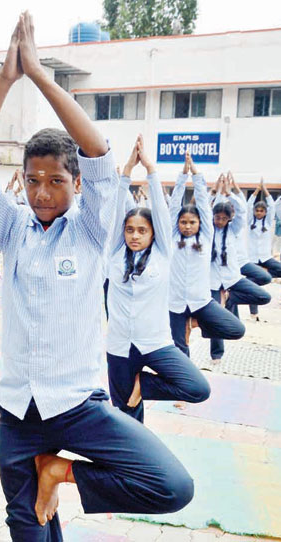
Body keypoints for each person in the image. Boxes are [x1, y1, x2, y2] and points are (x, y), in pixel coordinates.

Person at [0, 12, 194, 537]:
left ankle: (57, 471)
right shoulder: (12, 229)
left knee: (173, 484)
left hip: (77, 405)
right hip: (18, 412)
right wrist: (4, 80)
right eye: (33, 180)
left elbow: (101, 155)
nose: (43, 192)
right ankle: (40, 477)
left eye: (57, 180)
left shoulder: (92, 228)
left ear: (76, 182)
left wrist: (40, 76)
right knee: (32, 529)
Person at [106, 136, 210, 423]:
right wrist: (126, 172)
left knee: (197, 388)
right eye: (130, 230)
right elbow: (116, 213)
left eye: (142, 230)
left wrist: (151, 171)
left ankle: (145, 385)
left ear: (153, 234)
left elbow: (164, 215)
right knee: (126, 416)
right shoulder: (114, 255)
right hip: (119, 348)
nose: (135, 236)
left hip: (155, 344)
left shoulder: (163, 255)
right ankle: (131, 467)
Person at [168, 155, 246, 359]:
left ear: (199, 223)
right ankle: (182, 382)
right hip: (174, 304)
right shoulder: (173, 237)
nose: (187, 226)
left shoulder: (206, 236)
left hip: (200, 301)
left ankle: (195, 323)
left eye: (191, 222)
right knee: (179, 349)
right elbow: (175, 205)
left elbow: (203, 204)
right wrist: (182, 176)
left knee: (236, 329)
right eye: (183, 222)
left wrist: (195, 174)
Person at [209, 175, 270, 359]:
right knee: (216, 320)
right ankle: (217, 355)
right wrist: (216, 192)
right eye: (217, 217)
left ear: (229, 218)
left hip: (232, 279)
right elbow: (204, 209)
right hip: (212, 282)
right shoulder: (208, 230)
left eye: (223, 218)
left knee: (263, 296)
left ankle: (229, 298)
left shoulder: (233, 230)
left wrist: (231, 193)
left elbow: (242, 213)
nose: (219, 221)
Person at [245, 179, 281, 318]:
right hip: (253, 259)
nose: (259, 213)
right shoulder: (250, 222)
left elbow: (272, 205)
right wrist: (256, 191)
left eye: (261, 211)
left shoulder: (267, 221)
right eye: (257, 210)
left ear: (265, 212)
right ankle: (254, 313)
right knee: (252, 286)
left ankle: (265, 275)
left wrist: (265, 189)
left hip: (266, 258)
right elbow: (248, 206)